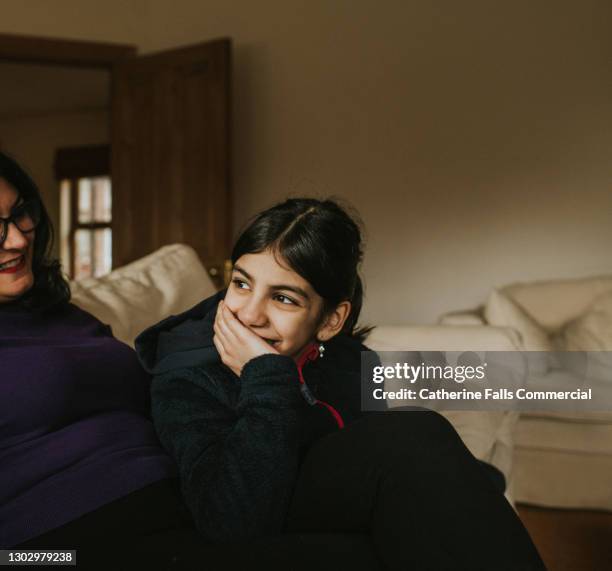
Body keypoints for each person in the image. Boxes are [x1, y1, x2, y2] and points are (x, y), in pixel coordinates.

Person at [136, 197, 546, 570]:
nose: (249, 315)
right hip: (231, 528)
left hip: (315, 516)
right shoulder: (188, 370)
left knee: (440, 466)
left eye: (283, 298)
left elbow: (362, 466)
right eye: (242, 284)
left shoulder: (348, 362)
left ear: (331, 320)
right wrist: (266, 377)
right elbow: (230, 518)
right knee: (418, 437)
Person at [0, 153, 195, 569]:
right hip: (68, 545)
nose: (17, 239)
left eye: (20, 214)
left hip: (188, 500)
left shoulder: (61, 312)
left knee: (369, 445)